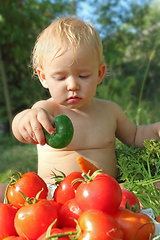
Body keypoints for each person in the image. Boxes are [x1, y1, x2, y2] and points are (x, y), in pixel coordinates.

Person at [0, 16, 160, 202]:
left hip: (105, 196)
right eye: (60, 78)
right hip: (53, 197)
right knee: (9, 191)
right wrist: (27, 120)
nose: (73, 85)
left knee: (152, 186)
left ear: (99, 74)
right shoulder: (47, 109)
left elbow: (135, 137)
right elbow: (20, 128)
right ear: (43, 77)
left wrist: (155, 130)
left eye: (83, 76)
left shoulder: (110, 111)